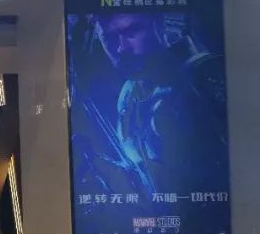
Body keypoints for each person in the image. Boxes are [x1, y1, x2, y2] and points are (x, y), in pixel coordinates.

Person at [87, 11, 227, 193]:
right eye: (109, 38)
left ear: (158, 25)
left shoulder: (203, 76)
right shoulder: (129, 93)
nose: (121, 48)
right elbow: (142, 170)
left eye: (132, 31)